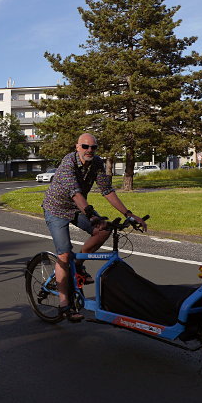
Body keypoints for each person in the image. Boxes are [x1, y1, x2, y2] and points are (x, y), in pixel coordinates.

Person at [42, 132, 147, 322]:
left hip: (78, 208)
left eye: (93, 147)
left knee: (104, 229)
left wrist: (129, 214)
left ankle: (78, 265)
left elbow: (107, 190)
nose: (89, 150)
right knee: (64, 254)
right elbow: (75, 194)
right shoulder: (68, 163)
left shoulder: (97, 163)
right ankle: (64, 304)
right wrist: (91, 215)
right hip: (56, 209)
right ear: (77, 147)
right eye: (85, 146)